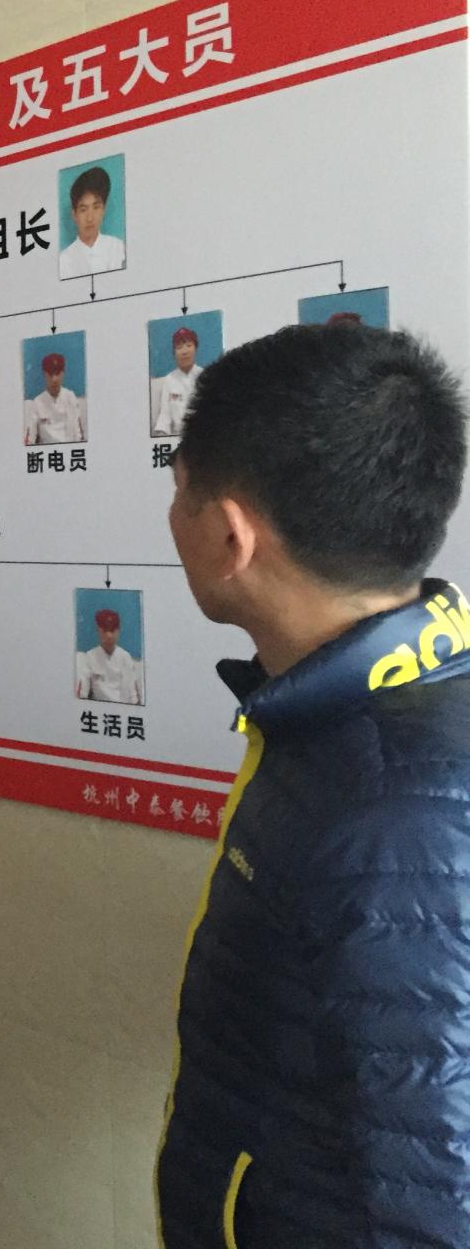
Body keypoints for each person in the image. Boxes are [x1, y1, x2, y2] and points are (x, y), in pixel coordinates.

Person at [158, 323, 470, 1248]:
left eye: (178, 490)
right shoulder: (347, 719)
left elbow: (436, 1193)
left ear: (230, 536)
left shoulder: (396, 814)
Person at [58, 165, 125, 276]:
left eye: (96, 207)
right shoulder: (64, 260)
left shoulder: (118, 248)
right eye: (83, 210)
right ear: (74, 215)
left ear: (103, 210)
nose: (90, 218)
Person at [73, 607, 141, 704]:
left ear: (118, 631)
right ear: (98, 630)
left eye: (112, 630)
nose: (109, 635)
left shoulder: (125, 657)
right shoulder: (90, 656)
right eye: (104, 630)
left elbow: (133, 695)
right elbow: (82, 692)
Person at [23, 351, 85, 446]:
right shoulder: (37, 402)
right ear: (44, 374)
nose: (54, 379)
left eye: (57, 374)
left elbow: (78, 434)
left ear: (63, 373)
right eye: (50, 374)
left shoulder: (70, 397)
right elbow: (30, 439)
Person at [151, 326, 201, 437]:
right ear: (174, 353)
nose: (184, 351)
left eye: (189, 345)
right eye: (179, 347)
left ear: (195, 349)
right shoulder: (170, 379)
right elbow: (165, 415)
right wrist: (161, 434)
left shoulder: (205, 376)